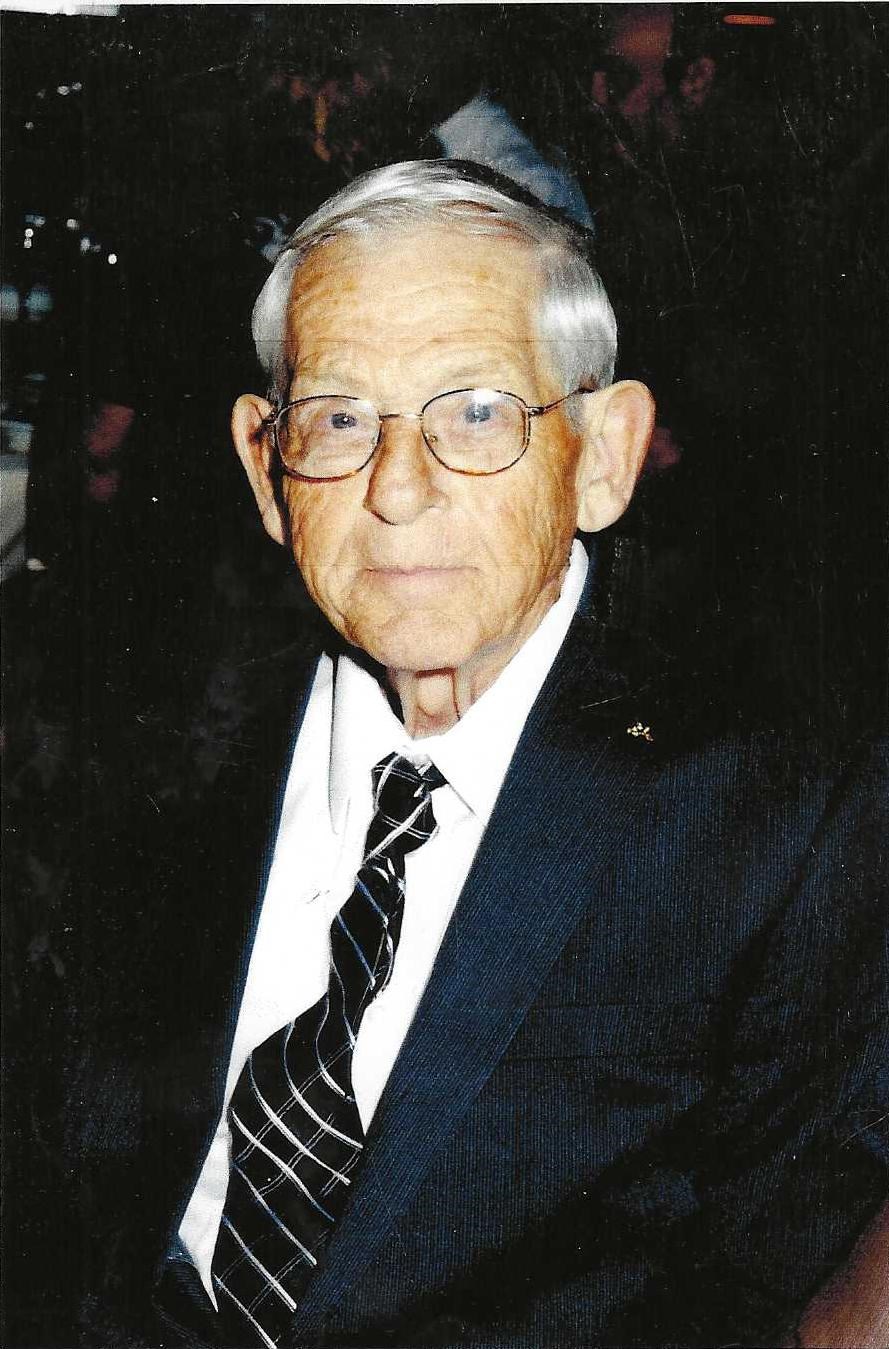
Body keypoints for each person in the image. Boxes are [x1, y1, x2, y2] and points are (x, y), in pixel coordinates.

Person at [4, 160, 886, 1349]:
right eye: (338, 417)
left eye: (475, 411)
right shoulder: (106, 728)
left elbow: (770, 1278)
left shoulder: (776, 819)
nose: (396, 488)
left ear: (602, 454)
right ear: (266, 466)